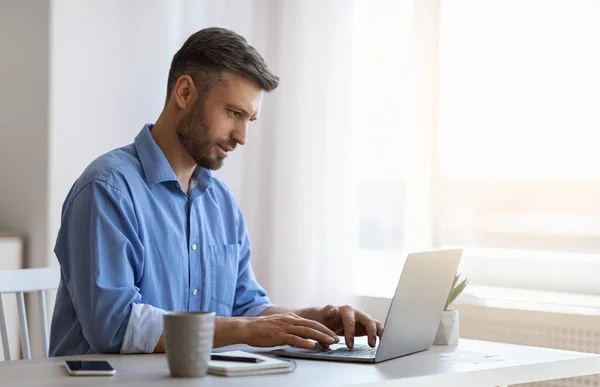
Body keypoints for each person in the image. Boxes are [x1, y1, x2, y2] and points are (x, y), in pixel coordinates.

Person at [49, 27, 383, 356]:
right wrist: (247, 330)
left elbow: (244, 305)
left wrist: (309, 321)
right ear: (184, 93)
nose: (242, 136)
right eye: (234, 113)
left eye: (249, 120)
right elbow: (114, 325)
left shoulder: (220, 203)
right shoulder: (107, 189)